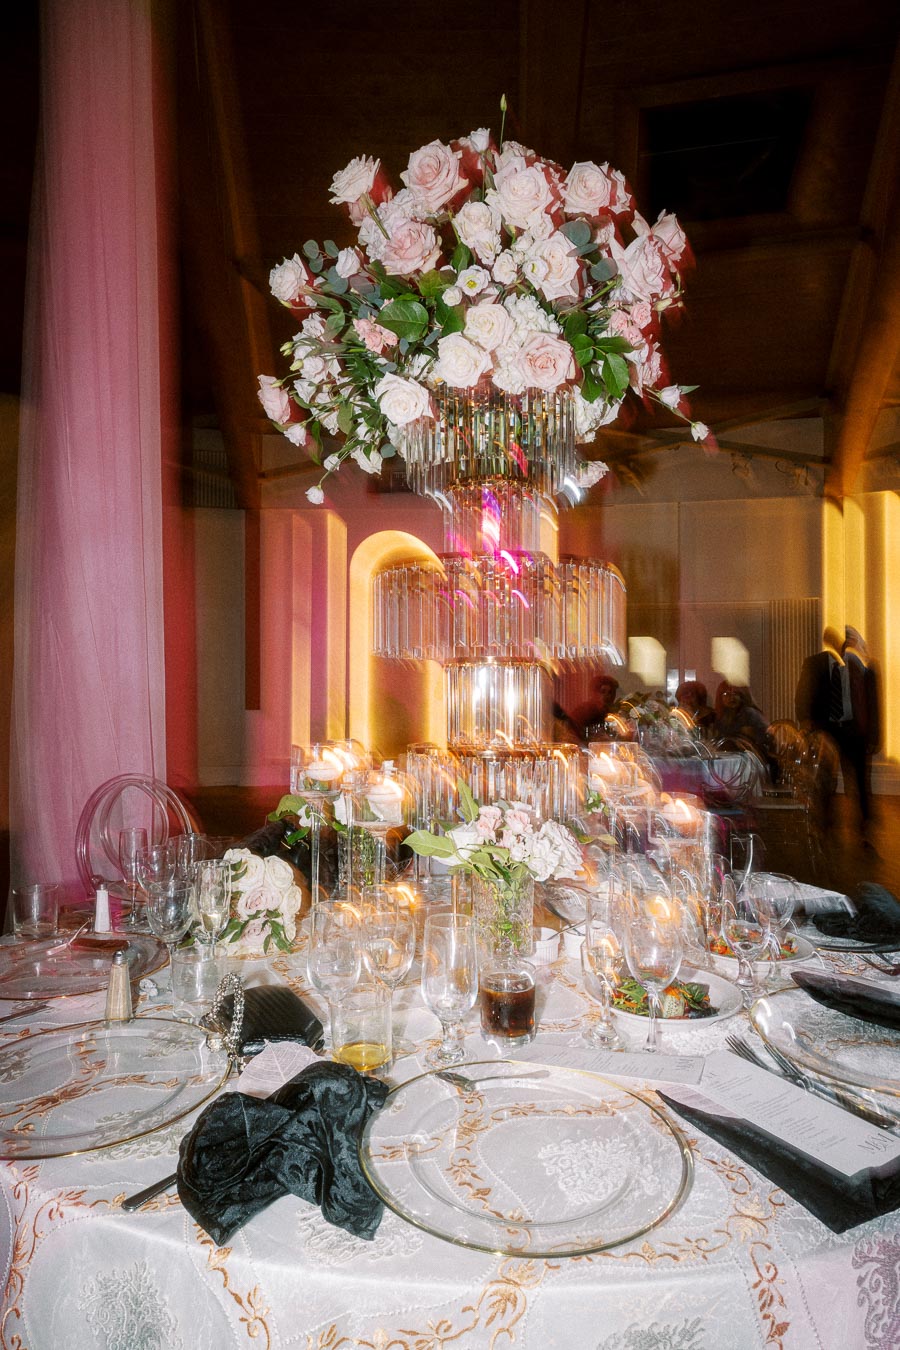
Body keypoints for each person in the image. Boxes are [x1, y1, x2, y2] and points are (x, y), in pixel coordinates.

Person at [797, 627, 880, 832]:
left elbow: (871, 704)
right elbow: (803, 695)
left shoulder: (859, 666)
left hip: (853, 731)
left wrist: (872, 735)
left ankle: (865, 822)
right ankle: (826, 821)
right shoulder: (815, 663)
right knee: (826, 778)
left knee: (860, 780)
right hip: (828, 730)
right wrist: (807, 721)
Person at [712, 681, 770, 756]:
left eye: (735, 694)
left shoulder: (748, 713)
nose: (731, 698)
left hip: (753, 759)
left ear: (743, 695)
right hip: (735, 757)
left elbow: (747, 744)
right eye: (726, 694)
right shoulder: (722, 716)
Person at [570, 674, 620, 743]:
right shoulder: (583, 711)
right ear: (594, 693)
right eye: (603, 691)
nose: (607, 696)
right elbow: (573, 736)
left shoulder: (609, 713)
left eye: (610, 692)